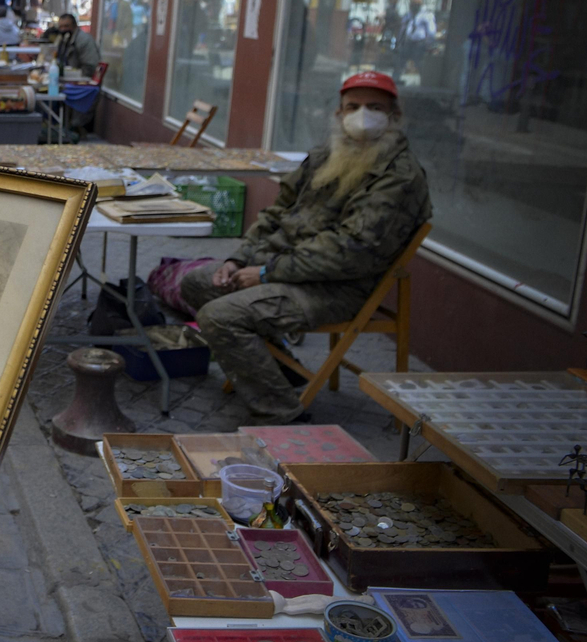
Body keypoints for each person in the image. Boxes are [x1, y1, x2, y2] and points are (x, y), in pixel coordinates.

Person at [177, 72, 431, 424]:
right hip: (286, 268)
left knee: (221, 316)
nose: (363, 116)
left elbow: (351, 250)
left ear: (394, 117)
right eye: (353, 107)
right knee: (197, 282)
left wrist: (267, 272)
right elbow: (278, 212)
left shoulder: (399, 175)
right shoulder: (327, 154)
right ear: (339, 113)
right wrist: (240, 258)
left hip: (338, 288)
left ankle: (282, 412)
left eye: (375, 108)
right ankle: (282, 369)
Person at [52, 12, 101, 76]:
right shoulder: (65, 38)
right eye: (61, 27)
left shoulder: (84, 40)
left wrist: (73, 74)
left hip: (82, 81)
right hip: (69, 78)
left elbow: (91, 67)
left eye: (66, 26)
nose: (63, 29)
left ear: (74, 26)